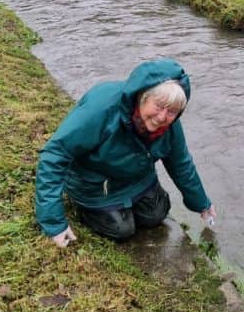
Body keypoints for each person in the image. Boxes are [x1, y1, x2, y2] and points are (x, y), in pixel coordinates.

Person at [35, 59, 216, 245]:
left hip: (137, 180)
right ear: (143, 97)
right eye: (159, 106)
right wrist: (54, 223)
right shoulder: (101, 109)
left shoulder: (170, 126)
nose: (162, 117)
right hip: (96, 184)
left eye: (172, 111)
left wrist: (202, 203)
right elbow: (55, 155)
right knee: (122, 230)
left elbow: (181, 164)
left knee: (157, 214)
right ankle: (84, 208)